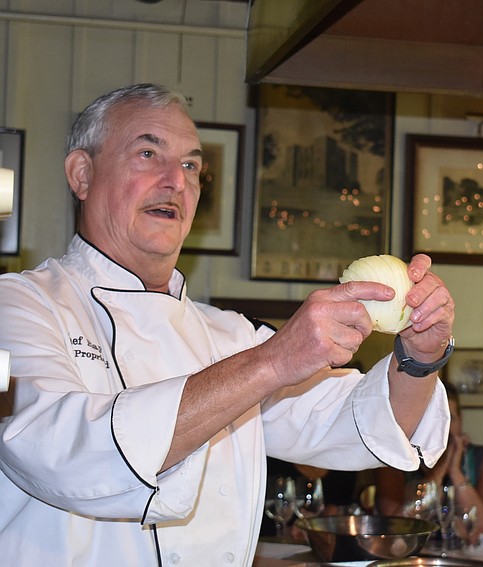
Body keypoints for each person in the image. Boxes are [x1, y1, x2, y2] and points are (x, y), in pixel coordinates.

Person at [0, 83, 455, 566]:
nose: (176, 180)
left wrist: (420, 356)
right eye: (149, 152)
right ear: (82, 174)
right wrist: (273, 361)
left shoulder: (229, 334)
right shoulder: (20, 305)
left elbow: (359, 423)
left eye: (192, 165)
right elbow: (57, 450)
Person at [374, 381, 483, 538]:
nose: (443, 427)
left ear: (460, 420)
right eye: (434, 418)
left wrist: (456, 473)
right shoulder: (392, 460)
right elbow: (397, 525)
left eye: (449, 418)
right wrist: (439, 471)